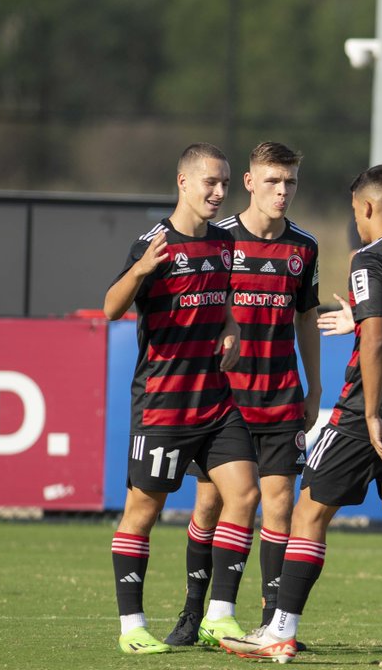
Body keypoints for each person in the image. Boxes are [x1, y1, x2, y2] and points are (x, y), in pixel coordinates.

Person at [221, 164, 382, 666]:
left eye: (356, 212)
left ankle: (279, 633)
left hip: (365, 411)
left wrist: (371, 413)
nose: (357, 220)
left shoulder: (369, 259)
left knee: (309, 514)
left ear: (368, 209)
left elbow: (374, 338)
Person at [103, 142, 260, 655]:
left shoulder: (222, 242)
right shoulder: (153, 243)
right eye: (211, 182)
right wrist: (141, 269)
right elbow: (110, 308)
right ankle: (131, 628)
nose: (219, 192)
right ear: (184, 182)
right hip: (164, 404)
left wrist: (233, 325)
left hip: (215, 400)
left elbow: (225, 293)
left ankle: (220, 616)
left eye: (225, 183)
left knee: (245, 495)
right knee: (143, 512)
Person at [164, 142, 322, 648]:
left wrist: (314, 385)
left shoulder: (305, 247)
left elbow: (306, 319)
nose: (282, 191)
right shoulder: (219, 240)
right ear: (250, 183)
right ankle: (196, 612)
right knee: (210, 505)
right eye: (273, 181)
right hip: (223, 401)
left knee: (279, 508)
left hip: (280, 397)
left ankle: (274, 621)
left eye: (290, 182)